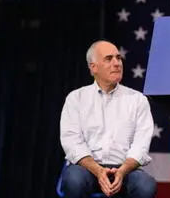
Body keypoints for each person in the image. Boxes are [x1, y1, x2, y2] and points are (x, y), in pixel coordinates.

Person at [59, 40, 157, 198]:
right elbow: (71, 142)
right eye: (109, 59)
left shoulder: (137, 100)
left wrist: (122, 170)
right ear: (93, 67)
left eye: (118, 58)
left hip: (126, 170)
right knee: (73, 180)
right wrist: (98, 171)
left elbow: (141, 145)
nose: (117, 63)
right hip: (88, 169)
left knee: (146, 186)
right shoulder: (76, 98)